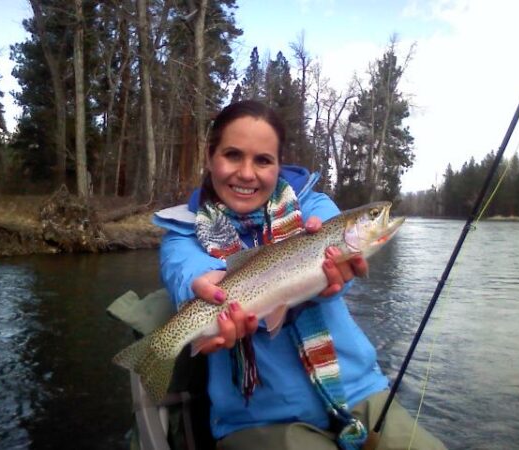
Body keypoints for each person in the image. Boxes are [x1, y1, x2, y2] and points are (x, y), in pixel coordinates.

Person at [153, 100, 446, 450]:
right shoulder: (182, 232)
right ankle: (154, 354)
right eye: (232, 155)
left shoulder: (315, 210)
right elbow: (183, 270)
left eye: (263, 160)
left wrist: (333, 283)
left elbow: (337, 277)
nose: (247, 173)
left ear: (279, 165)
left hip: (358, 392)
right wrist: (201, 286)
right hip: (259, 417)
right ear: (209, 156)